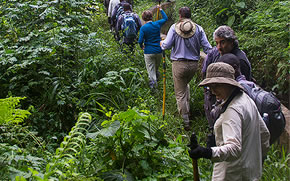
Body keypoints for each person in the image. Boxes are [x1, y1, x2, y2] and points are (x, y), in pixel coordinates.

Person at [188, 62, 270, 180]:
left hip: (232, 174)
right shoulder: (246, 99)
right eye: (210, 86)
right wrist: (256, 160)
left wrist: (207, 152)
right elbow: (264, 134)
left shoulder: (232, 111)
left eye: (217, 85)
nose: (212, 90)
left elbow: (234, 148)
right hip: (251, 173)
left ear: (229, 84)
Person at [161, 6, 212, 130]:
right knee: (185, 86)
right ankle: (187, 110)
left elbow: (166, 45)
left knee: (180, 94)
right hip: (193, 65)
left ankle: (185, 121)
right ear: (190, 15)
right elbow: (207, 48)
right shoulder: (199, 29)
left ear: (180, 16)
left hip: (178, 64)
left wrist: (162, 44)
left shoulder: (174, 27)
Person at [201, 25, 252, 130]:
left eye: (222, 42)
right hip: (214, 100)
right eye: (217, 43)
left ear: (231, 42)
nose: (219, 47)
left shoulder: (240, 61)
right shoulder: (215, 53)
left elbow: (242, 88)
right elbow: (205, 72)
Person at [138, 5, 168, 89]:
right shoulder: (157, 24)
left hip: (148, 51)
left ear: (143, 18)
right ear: (152, 17)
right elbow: (165, 18)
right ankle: (157, 81)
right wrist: (161, 9)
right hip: (158, 51)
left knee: (151, 71)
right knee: (155, 69)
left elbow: (140, 41)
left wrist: (141, 46)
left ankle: (154, 90)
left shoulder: (143, 28)